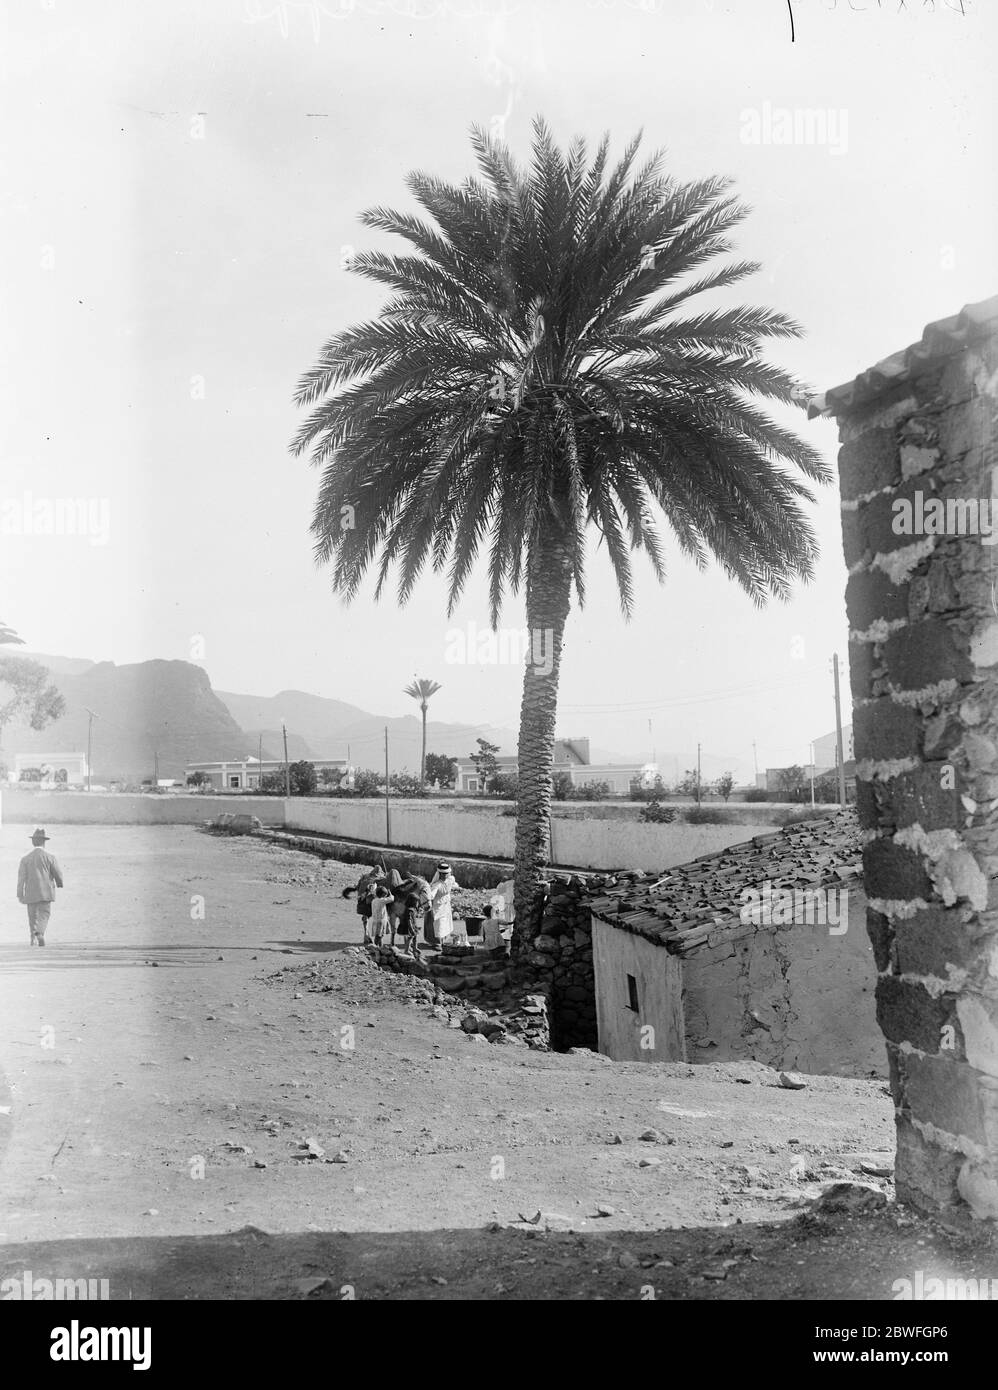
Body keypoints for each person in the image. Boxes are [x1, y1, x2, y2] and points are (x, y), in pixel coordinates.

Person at [17, 828, 64, 948]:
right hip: (46, 892)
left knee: (32, 916)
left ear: (33, 842)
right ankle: (40, 933)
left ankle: (33, 938)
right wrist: (59, 883)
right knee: (44, 914)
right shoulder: (50, 857)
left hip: (30, 892)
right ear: (44, 842)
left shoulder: (25, 858)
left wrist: (20, 894)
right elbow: (58, 873)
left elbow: (21, 878)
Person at [429, 861, 457, 949]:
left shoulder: (450, 880)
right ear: (439, 874)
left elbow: (454, 885)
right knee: (439, 923)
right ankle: (438, 943)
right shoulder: (437, 885)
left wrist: (457, 887)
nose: (445, 876)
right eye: (443, 874)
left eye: (446, 874)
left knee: (446, 921)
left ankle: (444, 940)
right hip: (438, 906)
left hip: (446, 904)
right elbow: (431, 895)